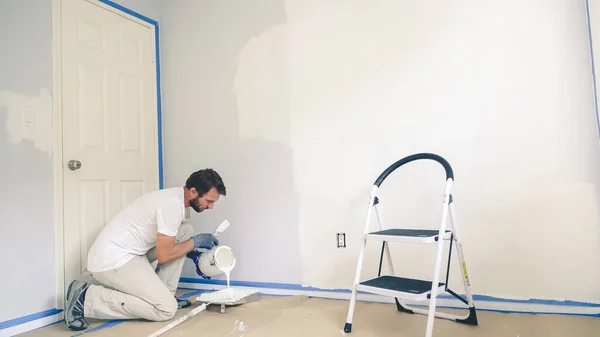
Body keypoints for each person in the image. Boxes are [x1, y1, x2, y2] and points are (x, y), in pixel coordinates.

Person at [64, 169, 227, 331]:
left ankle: (165, 294)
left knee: (186, 231)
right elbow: (164, 256)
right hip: (112, 260)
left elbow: (169, 243)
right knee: (165, 310)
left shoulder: (177, 198)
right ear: (193, 191)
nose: (211, 207)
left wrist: (193, 252)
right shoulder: (172, 206)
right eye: (209, 201)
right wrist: (196, 242)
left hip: (132, 253)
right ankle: (86, 297)